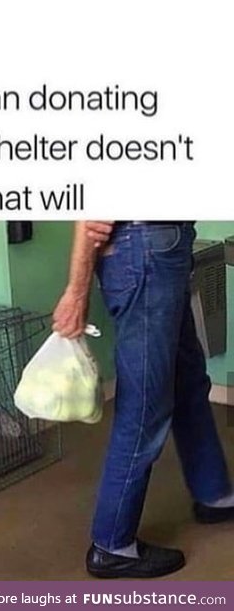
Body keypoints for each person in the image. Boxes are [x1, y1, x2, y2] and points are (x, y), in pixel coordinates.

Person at [53, 221, 233, 578]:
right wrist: (76, 292)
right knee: (145, 408)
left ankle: (214, 495)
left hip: (161, 250)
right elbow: (91, 216)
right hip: (146, 254)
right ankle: (111, 545)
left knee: (187, 383)